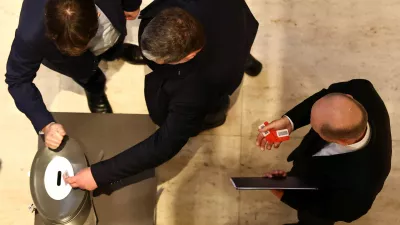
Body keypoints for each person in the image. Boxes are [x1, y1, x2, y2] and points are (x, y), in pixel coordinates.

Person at [64, 0, 262, 190]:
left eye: (160, 62)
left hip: (220, 65)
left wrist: (98, 175)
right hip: (232, 19)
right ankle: (244, 57)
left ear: (189, 55)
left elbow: (164, 145)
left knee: (212, 110)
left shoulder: (195, 88)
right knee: (236, 42)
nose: (153, 64)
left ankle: (219, 108)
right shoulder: (168, 13)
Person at [5, 0, 145, 149]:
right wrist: (46, 124)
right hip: (74, 63)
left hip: (109, 23)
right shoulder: (30, 35)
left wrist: (131, 4)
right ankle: (95, 89)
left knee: (113, 47)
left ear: (96, 14)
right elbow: (17, 81)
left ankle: (118, 51)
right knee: (88, 76)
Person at [256, 79, 392, 225]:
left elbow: (336, 210)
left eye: (314, 127)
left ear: (341, 141)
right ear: (349, 97)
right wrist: (290, 122)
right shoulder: (361, 89)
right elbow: (328, 95)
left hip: (319, 213)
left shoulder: (360, 187)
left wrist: (285, 195)